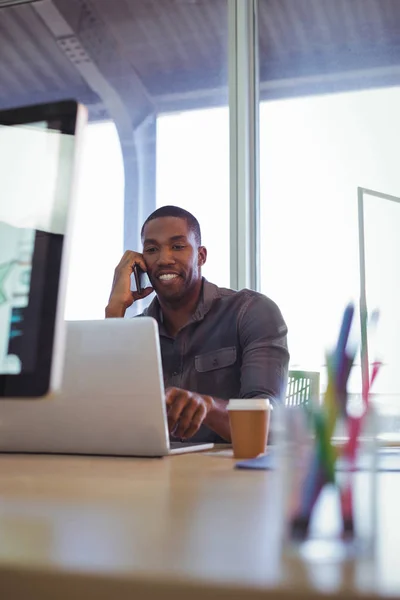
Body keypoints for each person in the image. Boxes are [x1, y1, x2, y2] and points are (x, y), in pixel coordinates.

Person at [106, 205, 289, 443]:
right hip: (153, 471)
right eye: (152, 249)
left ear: (201, 256)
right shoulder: (133, 333)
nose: (164, 259)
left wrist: (208, 407)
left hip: (228, 473)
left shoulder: (251, 312)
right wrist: (115, 308)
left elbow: (269, 422)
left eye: (178, 246)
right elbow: (107, 413)